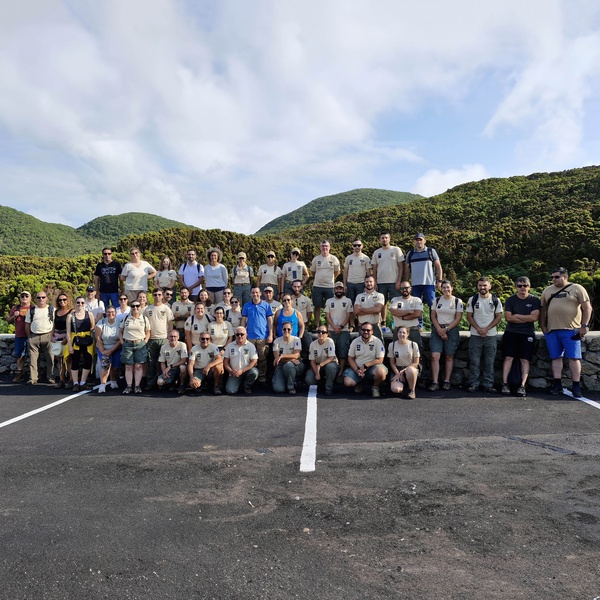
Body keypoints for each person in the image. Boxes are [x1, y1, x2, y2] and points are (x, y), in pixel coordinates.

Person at [540, 267, 592, 398]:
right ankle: (557, 384)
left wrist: (584, 326)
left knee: (574, 358)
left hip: (571, 330)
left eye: (557, 277)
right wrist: (543, 325)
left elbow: (587, 308)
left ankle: (576, 385)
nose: (554, 279)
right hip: (552, 330)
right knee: (555, 357)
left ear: (565, 276)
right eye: (552, 277)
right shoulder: (547, 290)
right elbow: (543, 310)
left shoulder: (577, 288)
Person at [501, 276, 541, 397]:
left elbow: (534, 318)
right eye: (519, 286)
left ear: (529, 287)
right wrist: (526, 317)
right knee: (508, 358)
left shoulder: (535, 300)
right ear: (516, 287)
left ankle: (522, 386)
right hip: (511, 332)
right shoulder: (510, 300)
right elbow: (508, 318)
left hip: (527, 333)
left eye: (525, 286)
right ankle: (504, 384)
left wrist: (517, 316)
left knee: (525, 359)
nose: (522, 288)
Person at [466, 276, 503, 393]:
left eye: (485, 285)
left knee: (489, 362)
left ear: (490, 286)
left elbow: (498, 317)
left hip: (490, 335)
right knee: (474, 362)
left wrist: (486, 329)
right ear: (477, 286)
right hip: (475, 335)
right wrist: (478, 329)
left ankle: (488, 384)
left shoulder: (496, 300)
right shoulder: (472, 299)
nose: (482, 287)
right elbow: (469, 316)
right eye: (480, 285)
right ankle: (473, 384)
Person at [429, 280, 464, 391]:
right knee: (435, 356)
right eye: (444, 287)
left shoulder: (458, 301)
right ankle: (435, 382)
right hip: (437, 328)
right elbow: (433, 316)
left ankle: (446, 381)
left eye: (448, 287)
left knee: (449, 356)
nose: (446, 290)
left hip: (451, 329)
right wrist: (440, 330)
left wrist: (446, 329)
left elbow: (458, 318)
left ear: (452, 288)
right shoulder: (437, 300)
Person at [403, 233, 443, 328]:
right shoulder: (410, 253)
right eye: (417, 240)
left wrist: (440, 280)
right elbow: (407, 269)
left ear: (424, 241)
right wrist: (406, 282)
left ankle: (435, 325)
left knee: (432, 305)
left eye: (420, 239)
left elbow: (438, 267)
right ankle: (419, 325)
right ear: (414, 241)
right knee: (416, 305)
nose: (419, 241)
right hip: (415, 284)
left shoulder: (430, 251)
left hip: (429, 283)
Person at [343, 323, 388, 398]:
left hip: (372, 368)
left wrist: (365, 366)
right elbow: (350, 358)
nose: (365, 332)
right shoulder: (355, 341)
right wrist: (357, 370)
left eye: (368, 330)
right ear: (360, 331)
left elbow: (380, 360)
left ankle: (375, 387)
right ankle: (360, 382)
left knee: (381, 372)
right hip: (358, 368)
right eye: (363, 330)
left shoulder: (377, 341)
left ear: (372, 331)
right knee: (348, 382)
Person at [241, 287, 274, 384]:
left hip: (262, 337)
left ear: (260, 293)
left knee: (262, 358)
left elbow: (270, 321)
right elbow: (243, 320)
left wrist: (270, 335)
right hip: (250, 337)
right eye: (253, 293)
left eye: (256, 292)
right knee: (249, 358)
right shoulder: (247, 306)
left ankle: (262, 377)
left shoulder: (266, 305)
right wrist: (243, 334)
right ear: (250, 294)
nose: (255, 294)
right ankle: (250, 377)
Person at [371, 232, 404, 323]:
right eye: (382, 238)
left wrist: (399, 281)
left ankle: (397, 323)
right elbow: (374, 269)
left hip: (394, 281)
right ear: (380, 239)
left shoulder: (396, 250)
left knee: (396, 303)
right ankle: (383, 322)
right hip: (381, 282)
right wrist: (375, 282)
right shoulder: (377, 252)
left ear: (389, 239)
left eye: (386, 238)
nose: (384, 239)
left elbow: (401, 267)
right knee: (382, 303)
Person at [144, 290, 174, 389]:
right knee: (151, 362)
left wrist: (169, 337)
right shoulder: (148, 309)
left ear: (162, 296)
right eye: (155, 294)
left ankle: (164, 381)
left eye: (159, 295)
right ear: (152, 296)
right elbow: (144, 325)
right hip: (151, 339)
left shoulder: (166, 309)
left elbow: (170, 324)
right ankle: (151, 383)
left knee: (163, 362)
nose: (157, 296)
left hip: (163, 338)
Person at [119, 300, 150, 395]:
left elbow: (148, 331)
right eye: (133, 306)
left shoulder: (144, 318)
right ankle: (129, 386)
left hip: (140, 344)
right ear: (131, 307)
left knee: (138, 366)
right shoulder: (126, 318)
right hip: (127, 344)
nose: (135, 308)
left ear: (140, 307)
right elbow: (120, 331)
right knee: (128, 366)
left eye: (137, 306)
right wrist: (122, 342)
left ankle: (137, 386)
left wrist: (145, 341)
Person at [24, 290, 55, 385]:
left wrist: (51, 335)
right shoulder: (32, 310)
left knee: (50, 357)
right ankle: (33, 378)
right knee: (33, 359)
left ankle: (50, 377)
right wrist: (29, 337)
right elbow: (27, 324)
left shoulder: (51, 309)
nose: (41, 299)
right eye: (38, 297)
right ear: (36, 299)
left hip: (48, 335)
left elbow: (54, 323)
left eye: (43, 297)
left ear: (47, 298)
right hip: (34, 336)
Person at [67, 296, 95, 392]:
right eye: (78, 302)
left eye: (82, 303)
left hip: (87, 340)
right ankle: (75, 383)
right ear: (75, 303)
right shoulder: (70, 316)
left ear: (85, 304)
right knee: (75, 361)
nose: (80, 304)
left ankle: (83, 382)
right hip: (75, 341)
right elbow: (68, 332)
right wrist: (69, 346)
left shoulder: (89, 314)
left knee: (87, 360)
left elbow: (92, 327)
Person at [310, 240, 341, 327]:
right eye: (323, 246)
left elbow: (337, 271)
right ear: (320, 248)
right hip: (317, 286)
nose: (325, 248)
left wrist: (332, 279)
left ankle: (329, 326)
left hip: (329, 286)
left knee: (330, 307)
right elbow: (313, 272)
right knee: (317, 306)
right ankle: (316, 325)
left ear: (329, 247)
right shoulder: (316, 259)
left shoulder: (334, 259)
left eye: (326, 246)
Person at [324, 281, 353, 375]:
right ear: (334, 289)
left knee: (342, 353)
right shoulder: (329, 301)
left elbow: (348, 315)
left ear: (343, 289)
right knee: (332, 352)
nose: (339, 290)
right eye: (337, 288)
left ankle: (340, 373)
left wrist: (340, 327)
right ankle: (332, 372)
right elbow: (327, 316)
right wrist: (334, 327)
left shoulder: (348, 301)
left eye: (340, 288)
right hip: (331, 331)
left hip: (343, 330)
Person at [95, 304, 122, 394]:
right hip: (103, 347)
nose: (110, 314)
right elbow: (98, 338)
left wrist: (111, 350)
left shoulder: (120, 322)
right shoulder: (101, 322)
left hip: (116, 347)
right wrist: (103, 351)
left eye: (112, 312)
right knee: (105, 365)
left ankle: (113, 381)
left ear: (115, 313)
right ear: (105, 313)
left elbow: (120, 339)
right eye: (108, 312)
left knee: (115, 366)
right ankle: (103, 384)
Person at [223, 327, 259, 395]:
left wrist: (242, 371)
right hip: (234, 373)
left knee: (254, 372)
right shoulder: (230, 346)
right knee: (230, 391)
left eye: (242, 334)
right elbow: (225, 362)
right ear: (235, 335)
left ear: (246, 335)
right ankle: (238, 384)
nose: (240, 336)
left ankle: (247, 387)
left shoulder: (250, 346)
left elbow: (254, 361)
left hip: (247, 371)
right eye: (237, 334)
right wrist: (231, 371)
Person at [388, 326, 421, 399]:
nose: (401, 334)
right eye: (400, 332)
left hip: (410, 368)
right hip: (398, 369)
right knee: (396, 390)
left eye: (404, 332)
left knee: (410, 370)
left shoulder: (413, 344)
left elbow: (416, 362)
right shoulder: (392, 345)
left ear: (407, 334)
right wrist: (397, 373)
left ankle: (412, 391)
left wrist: (403, 371)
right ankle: (402, 384)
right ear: (397, 333)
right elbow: (392, 363)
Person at [305, 327, 338, 396]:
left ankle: (328, 388)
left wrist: (320, 365)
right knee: (309, 380)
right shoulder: (313, 344)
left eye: (323, 332)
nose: (320, 334)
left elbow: (331, 357)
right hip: (317, 365)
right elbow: (312, 361)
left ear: (327, 334)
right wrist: (317, 372)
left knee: (330, 367)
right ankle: (322, 382)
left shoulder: (330, 341)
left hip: (330, 363)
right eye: (319, 332)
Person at [272, 324, 304, 394]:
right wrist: (291, 359)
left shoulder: (296, 340)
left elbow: (296, 356)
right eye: (284, 329)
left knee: (288, 366)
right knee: (278, 389)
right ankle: (285, 380)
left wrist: (282, 356)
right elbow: (277, 358)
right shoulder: (276, 341)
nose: (286, 331)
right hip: (281, 365)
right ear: (281, 330)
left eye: (288, 329)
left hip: (295, 364)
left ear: (291, 330)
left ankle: (291, 387)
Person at [7, 290, 31, 383]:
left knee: (33, 356)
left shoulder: (33, 308)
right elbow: (8, 320)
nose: (24, 298)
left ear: (30, 298)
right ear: (20, 298)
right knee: (20, 356)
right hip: (20, 335)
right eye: (22, 296)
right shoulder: (15, 308)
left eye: (26, 296)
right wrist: (14, 316)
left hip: (32, 335)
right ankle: (19, 374)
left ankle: (34, 375)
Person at [389, 282, 423, 347]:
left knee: (416, 352)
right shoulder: (395, 299)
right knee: (396, 351)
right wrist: (409, 312)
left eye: (406, 288)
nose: (404, 290)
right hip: (398, 329)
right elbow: (393, 312)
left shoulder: (416, 300)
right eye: (402, 288)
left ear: (410, 288)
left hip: (413, 329)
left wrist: (403, 317)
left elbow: (417, 314)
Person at [353, 275, 385, 341]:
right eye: (367, 282)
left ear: (374, 282)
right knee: (361, 348)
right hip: (362, 327)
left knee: (378, 349)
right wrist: (372, 310)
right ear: (364, 283)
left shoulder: (379, 295)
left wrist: (361, 309)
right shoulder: (359, 296)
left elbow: (378, 310)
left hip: (375, 327)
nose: (369, 284)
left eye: (371, 281)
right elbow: (356, 311)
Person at [51, 292, 73, 389]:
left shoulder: (71, 311)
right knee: (59, 361)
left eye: (64, 299)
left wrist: (67, 339)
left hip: (67, 338)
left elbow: (73, 327)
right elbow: (54, 325)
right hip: (57, 338)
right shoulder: (56, 312)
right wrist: (51, 336)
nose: (62, 301)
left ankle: (71, 380)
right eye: (60, 300)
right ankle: (61, 380)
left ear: (68, 300)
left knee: (68, 360)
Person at [157, 330, 188, 394]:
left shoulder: (182, 345)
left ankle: (182, 385)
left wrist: (170, 366)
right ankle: (171, 383)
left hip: (179, 367)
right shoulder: (164, 347)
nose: (173, 338)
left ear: (178, 337)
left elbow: (183, 360)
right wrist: (164, 372)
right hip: (170, 370)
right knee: (160, 382)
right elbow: (162, 362)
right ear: (168, 337)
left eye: (175, 336)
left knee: (183, 368)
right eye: (171, 336)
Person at [343, 239, 371, 304]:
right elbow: (345, 272)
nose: (357, 247)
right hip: (350, 284)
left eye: (359, 245)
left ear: (362, 246)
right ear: (352, 247)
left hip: (361, 284)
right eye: (355, 245)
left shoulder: (366, 258)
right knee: (350, 305)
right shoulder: (348, 258)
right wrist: (344, 285)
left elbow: (369, 273)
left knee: (361, 304)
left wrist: (367, 285)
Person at [290, 280, 314, 356]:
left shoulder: (306, 299)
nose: (296, 289)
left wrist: (306, 323)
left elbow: (309, 313)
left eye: (298, 287)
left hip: (303, 326)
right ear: (292, 287)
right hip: (291, 327)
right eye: (294, 287)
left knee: (308, 345)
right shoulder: (289, 299)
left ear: (301, 287)